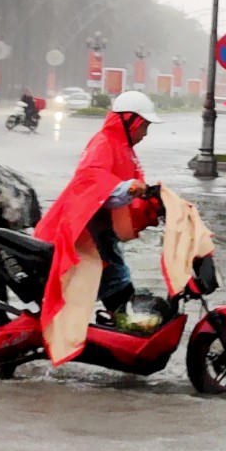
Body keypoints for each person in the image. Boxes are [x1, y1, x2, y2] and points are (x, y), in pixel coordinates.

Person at [33, 90, 162, 364]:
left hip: (100, 234)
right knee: (116, 281)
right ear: (131, 122)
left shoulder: (124, 148)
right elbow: (93, 182)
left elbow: (128, 195)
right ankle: (123, 338)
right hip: (83, 233)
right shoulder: (104, 143)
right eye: (145, 126)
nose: (146, 133)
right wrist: (129, 188)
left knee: (118, 279)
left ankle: (124, 333)